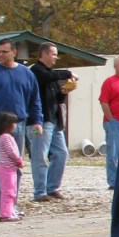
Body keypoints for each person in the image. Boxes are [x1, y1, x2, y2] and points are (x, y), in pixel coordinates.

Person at [0, 39, 44, 222]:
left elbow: (35, 99)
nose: (1, 55)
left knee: (15, 165)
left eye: (4, 51)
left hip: (19, 122)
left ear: (14, 52)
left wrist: (37, 121)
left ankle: (10, 204)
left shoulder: (26, 74)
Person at [29, 42, 74, 202]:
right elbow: (47, 77)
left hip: (55, 121)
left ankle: (52, 187)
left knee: (62, 153)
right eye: (54, 54)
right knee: (40, 156)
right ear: (44, 54)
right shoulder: (36, 71)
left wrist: (64, 92)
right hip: (40, 122)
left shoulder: (51, 74)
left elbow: (56, 98)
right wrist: (67, 73)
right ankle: (39, 191)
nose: (56, 57)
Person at [99, 56, 119, 191]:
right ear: (115, 67)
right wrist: (111, 119)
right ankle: (113, 181)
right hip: (115, 123)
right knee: (114, 153)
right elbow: (104, 102)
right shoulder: (109, 82)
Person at [0, 111, 24, 221]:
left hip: (11, 168)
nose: (15, 125)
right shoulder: (5, 137)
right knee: (7, 192)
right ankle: (5, 213)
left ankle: (10, 211)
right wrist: (19, 160)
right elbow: (11, 152)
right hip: (6, 168)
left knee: (12, 191)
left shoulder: (7, 137)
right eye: (13, 123)